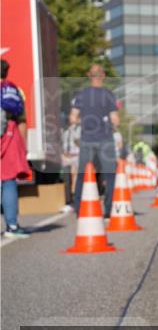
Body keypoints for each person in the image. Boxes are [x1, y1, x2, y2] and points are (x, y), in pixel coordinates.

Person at [69, 64, 120, 219]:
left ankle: (79, 209)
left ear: (88, 75)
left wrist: (82, 122)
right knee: (109, 175)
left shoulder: (81, 95)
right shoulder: (109, 95)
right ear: (103, 75)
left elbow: (72, 118)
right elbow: (115, 120)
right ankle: (108, 210)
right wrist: (113, 126)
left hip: (87, 140)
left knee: (83, 175)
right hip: (105, 139)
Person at [1, 59, 30, 238]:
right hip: (9, 138)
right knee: (8, 182)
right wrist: (23, 148)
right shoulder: (14, 91)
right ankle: (12, 226)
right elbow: (22, 121)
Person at [61, 118, 81, 212]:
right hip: (66, 157)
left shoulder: (77, 130)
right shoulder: (65, 131)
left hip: (75, 157)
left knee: (75, 179)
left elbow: (78, 142)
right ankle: (68, 201)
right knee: (67, 179)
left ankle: (75, 200)